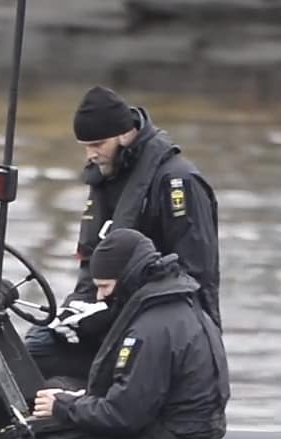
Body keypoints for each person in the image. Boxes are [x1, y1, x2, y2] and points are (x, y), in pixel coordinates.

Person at [25, 85, 220, 385]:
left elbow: (193, 278)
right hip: (109, 317)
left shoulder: (178, 183)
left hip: (158, 330)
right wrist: (75, 311)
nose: (91, 155)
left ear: (126, 134)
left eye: (98, 144)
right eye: (85, 146)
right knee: (29, 349)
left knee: (39, 363)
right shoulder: (108, 176)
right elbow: (93, 265)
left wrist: (109, 315)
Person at [10, 228, 229, 439]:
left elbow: (123, 416)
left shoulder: (151, 328)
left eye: (104, 286)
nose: (101, 296)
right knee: (60, 393)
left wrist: (63, 406)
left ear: (127, 277)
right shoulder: (179, 307)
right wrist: (77, 400)